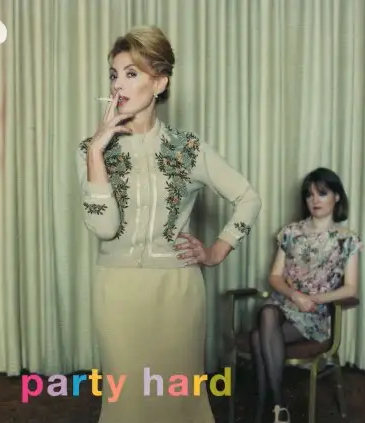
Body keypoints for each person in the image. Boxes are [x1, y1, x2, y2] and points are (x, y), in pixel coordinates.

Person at [75, 26, 262, 423]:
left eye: (131, 73)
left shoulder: (188, 149)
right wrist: (95, 153)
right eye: (114, 74)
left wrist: (216, 250)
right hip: (117, 294)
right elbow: (104, 228)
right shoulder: (92, 150)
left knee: (178, 403)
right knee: (127, 404)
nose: (118, 84)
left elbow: (249, 198)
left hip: (177, 294)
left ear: (159, 82)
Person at [250, 167, 362, 423]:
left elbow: (350, 288)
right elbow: (275, 276)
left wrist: (313, 300)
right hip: (283, 303)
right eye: (309, 194)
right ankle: (279, 406)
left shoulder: (347, 240)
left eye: (322, 193)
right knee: (268, 312)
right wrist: (295, 295)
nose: (314, 200)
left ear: (337, 197)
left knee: (258, 337)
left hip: (314, 314)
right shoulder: (290, 232)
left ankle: (266, 406)